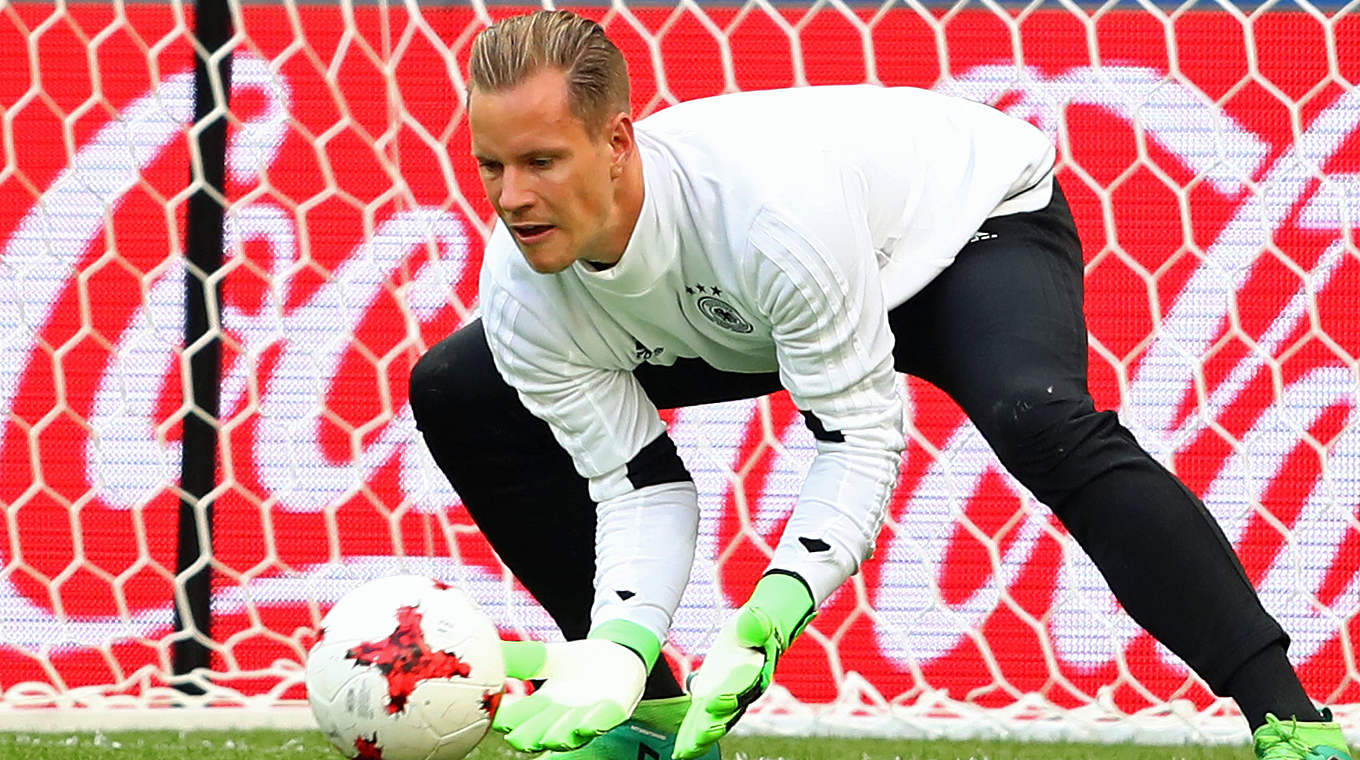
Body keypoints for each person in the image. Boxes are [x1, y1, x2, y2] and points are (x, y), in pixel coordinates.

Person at [408, 10, 1351, 760]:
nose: (510, 197)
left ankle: (1290, 718)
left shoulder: (765, 216)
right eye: (491, 165)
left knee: (1039, 420)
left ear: (618, 142)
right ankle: (638, 715)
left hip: (960, 232)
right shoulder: (526, 289)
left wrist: (776, 611)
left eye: (541, 162)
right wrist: (621, 643)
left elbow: (856, 435)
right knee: (457, 385)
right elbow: (637, 487)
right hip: (750, 310)